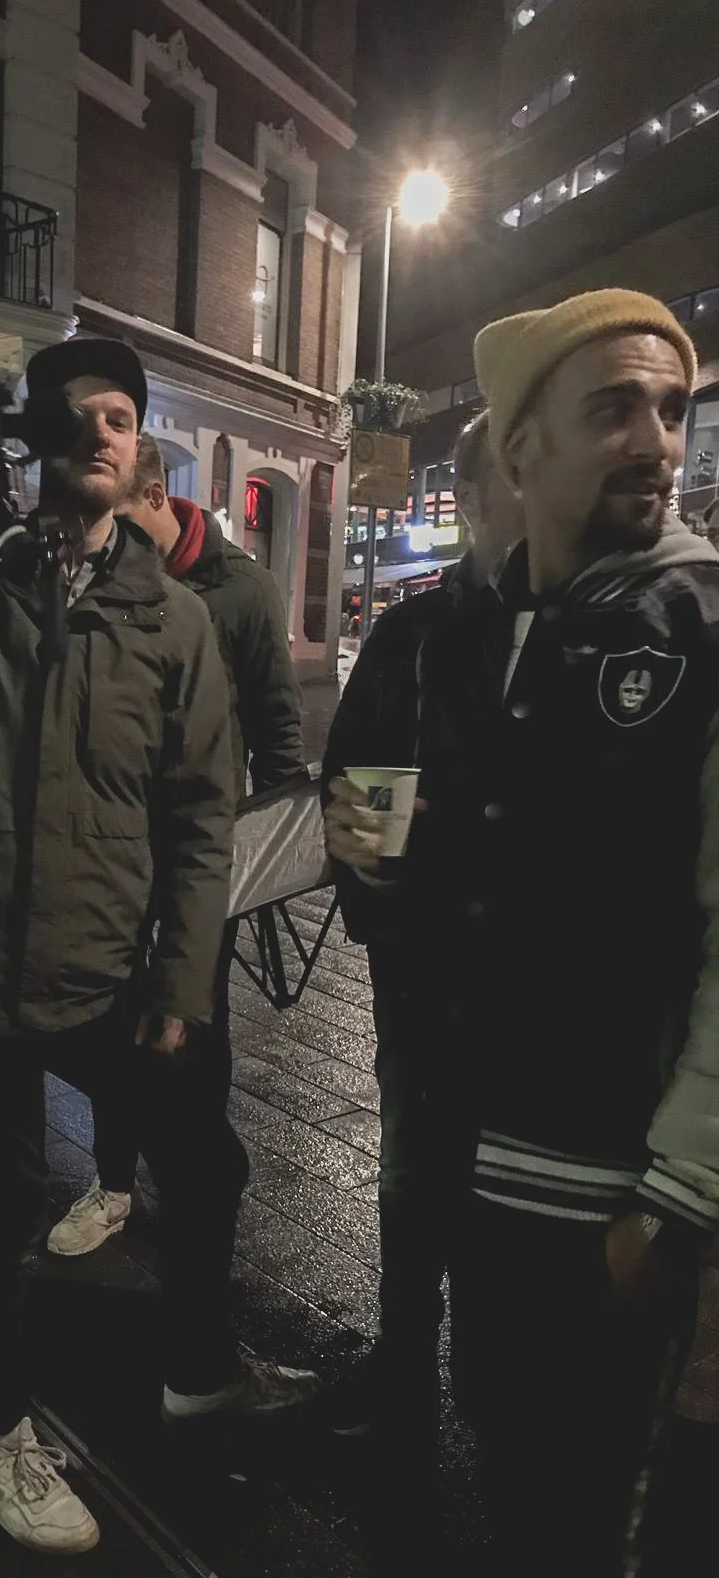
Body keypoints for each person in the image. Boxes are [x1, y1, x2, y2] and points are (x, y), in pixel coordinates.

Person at [0, 337, 315, 1558]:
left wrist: (184, 979)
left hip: (106, 964)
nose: (106, 431)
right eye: (82, 414)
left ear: (140, 445)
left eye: (124, 416)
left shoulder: (174, 617)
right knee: (0, 1196)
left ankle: (198, 1372)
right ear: (37, 438)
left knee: (203, 1160)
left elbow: (205, 817)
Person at [332, 290, 719, 1573]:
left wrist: (675, 1201)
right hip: (467, 1160)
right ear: (520, 449)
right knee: (505, 1462)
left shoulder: (703, 629)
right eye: (613, 408)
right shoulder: (470, 636)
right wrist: (379, 863)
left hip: (608, 1199)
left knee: (590, 1511)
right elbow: (457, 871)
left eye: (671, 408)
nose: (658, 440)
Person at [47, 434, 308, 1256]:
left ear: (155, 494)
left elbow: (277, 725)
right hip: (111, 852)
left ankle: (200, 1183)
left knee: (198, 1023)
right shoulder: (96, 577)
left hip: (202, 854)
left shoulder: (241, 589)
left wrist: (269, 850)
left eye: (119, 512)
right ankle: (116, 1184)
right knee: (111, 1016)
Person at [319, 412, 523, 1458]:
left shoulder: (602, 636)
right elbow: (352, 795)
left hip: (553, 988)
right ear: (478, 499)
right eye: (514, 481)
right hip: (428, 966)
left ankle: (496, 1384)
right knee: (417, 1163)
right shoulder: (412, 635)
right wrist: (395, 869)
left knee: (512, 1186)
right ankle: (405, 1360)